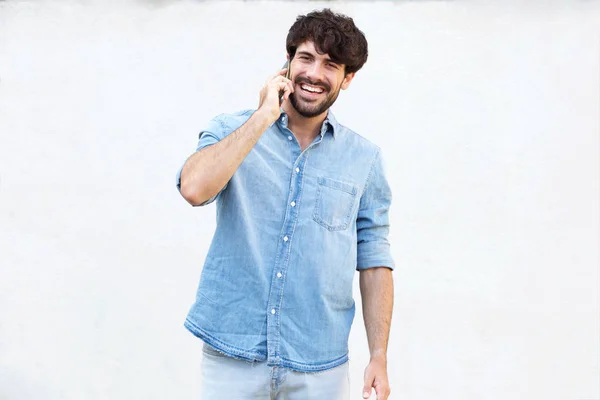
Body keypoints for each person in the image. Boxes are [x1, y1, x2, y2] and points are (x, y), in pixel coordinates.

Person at [176, 8, 394, 400]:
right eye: (306, 58)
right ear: (287, 64)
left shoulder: (365, 159)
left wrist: (379, 354)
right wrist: (264, 115)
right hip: (232, 353)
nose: (314, 73)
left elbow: (374, 259)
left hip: (319, 365)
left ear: (347, 79)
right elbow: (194, 189)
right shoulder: (233, 130)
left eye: (331, 65)